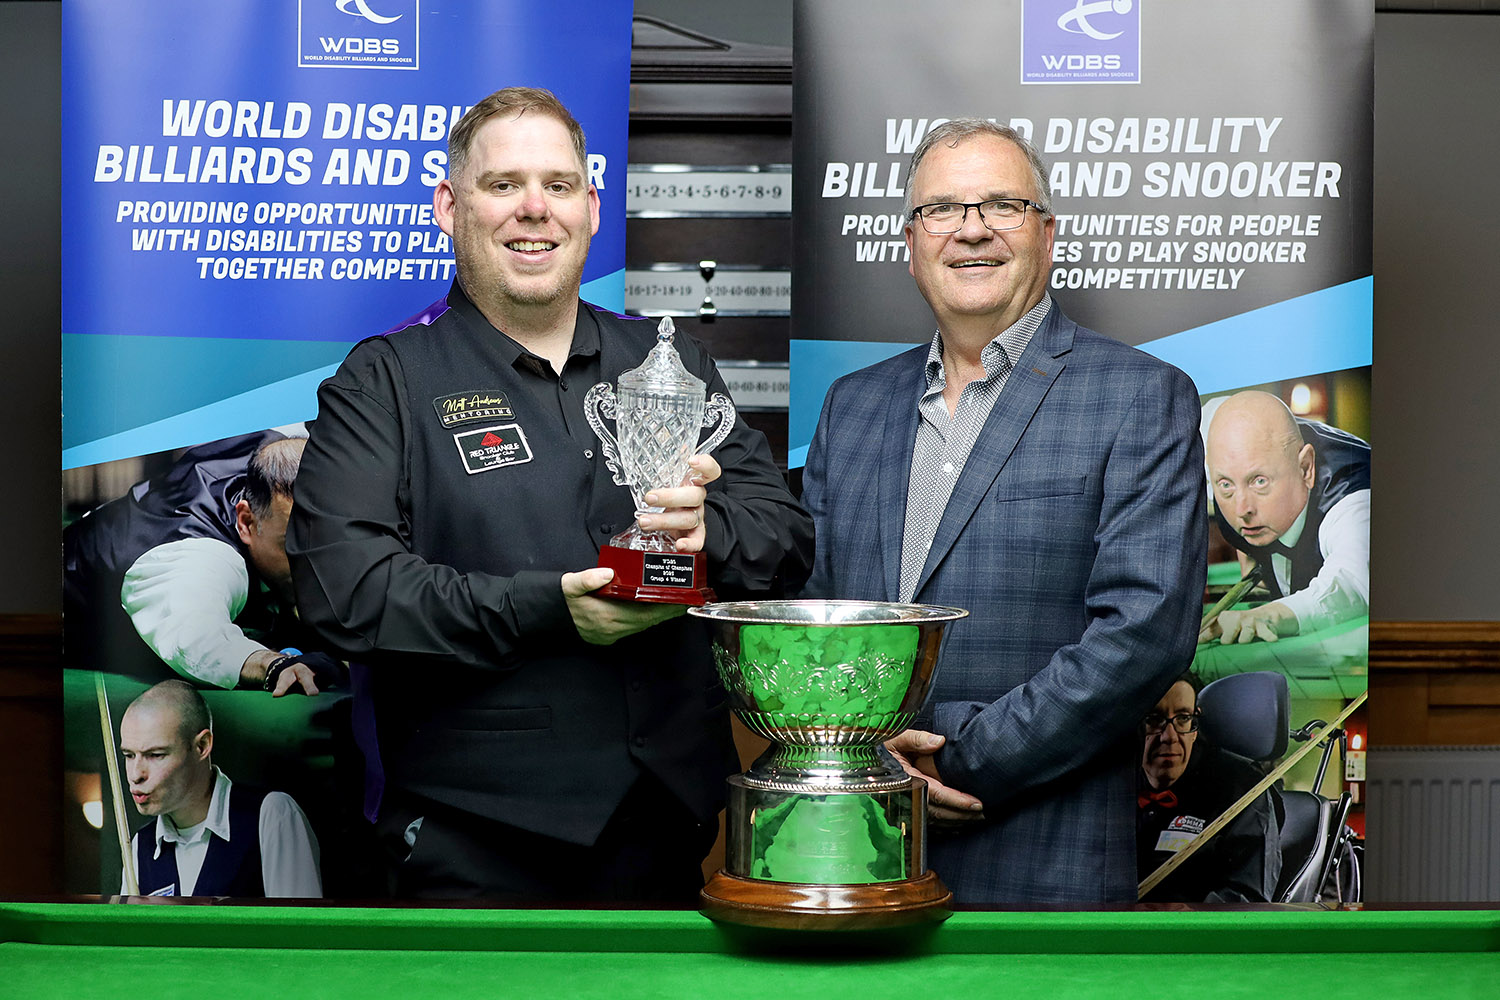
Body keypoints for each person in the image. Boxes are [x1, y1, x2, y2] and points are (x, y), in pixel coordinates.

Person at [286, 87, 813, 901]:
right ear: (449, 205)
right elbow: (344, 593)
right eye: (504, 186)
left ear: (592, 208)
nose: (535, 209)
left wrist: (709, 532)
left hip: (668, 835)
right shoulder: (384, 380)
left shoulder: (673, 366)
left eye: (559, 186)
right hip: (469, 844)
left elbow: (786, 539)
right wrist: (548, 608)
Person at [800, 118, 1206, 903]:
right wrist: (871, 762)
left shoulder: (1139, 397)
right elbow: (816, 620)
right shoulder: (851, 407)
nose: (972, 230)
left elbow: (1146, 631)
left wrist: (955, 758)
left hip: (1041, 849)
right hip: (857, 844)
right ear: (911, 243)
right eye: (943, 210)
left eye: (1001, 206)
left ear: (1047, 233)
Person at [64, 430, 340, 695]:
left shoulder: (279, 461)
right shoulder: (201, 559)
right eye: (292, 546)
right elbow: (197, 637)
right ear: (245, 521)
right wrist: (273, 664)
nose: (316, 564)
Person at [118, 680, 322, 897]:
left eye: (156, 755)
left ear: (202, 746)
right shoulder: (140, 846)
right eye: (129, 755)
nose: (135, 774)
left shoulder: (271, 815)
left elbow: (300, 930)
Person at [1200, 390, 1370, 645]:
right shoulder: (1210, 434)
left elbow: (1351, 581)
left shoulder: (1351, 500)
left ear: (1305, 469)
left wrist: (1272, 614)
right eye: (1226, 485)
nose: (1241, 510)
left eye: (1259, 482)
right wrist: (1248, 551)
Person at [1137, 674, 1282, 902]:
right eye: (1154, 719)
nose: (1170, 737)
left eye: (1183, 718)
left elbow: (1245, 898)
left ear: (1196, 728)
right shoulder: (1109, 785)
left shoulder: (1241, 787)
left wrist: (1188, 922)